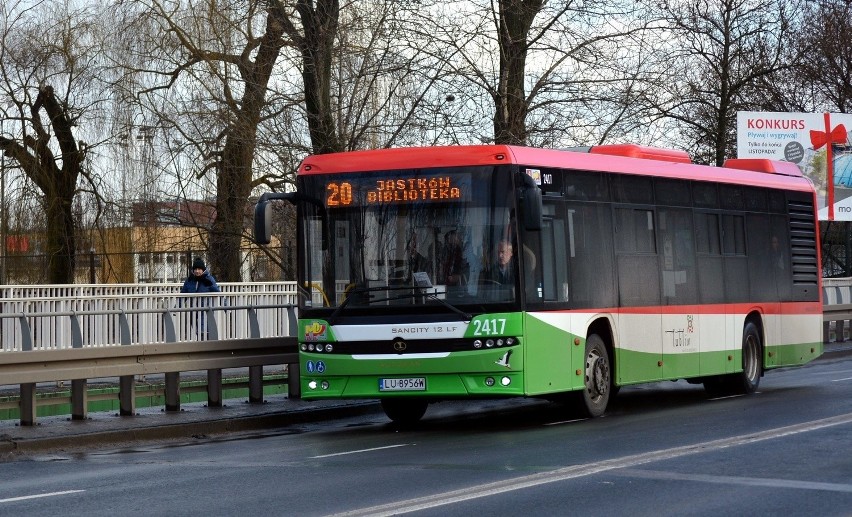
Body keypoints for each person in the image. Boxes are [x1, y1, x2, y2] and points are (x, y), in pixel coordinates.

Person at [181, 257, 221, 339]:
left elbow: (217, 292)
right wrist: (177, 306)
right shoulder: (190, 280)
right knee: (195, 328)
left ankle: (205, 343)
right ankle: (201, 343)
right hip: (193, 308)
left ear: (203, 270)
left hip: (205, 308)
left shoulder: (208, 279)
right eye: (195, 269)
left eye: (199, 269)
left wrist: (226, 306)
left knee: (203, 329)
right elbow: (183, 294)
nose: (197, 271)